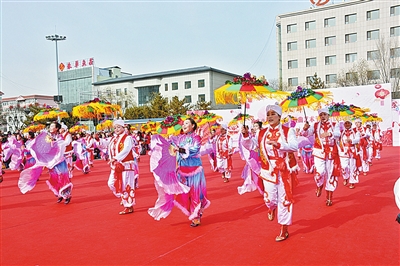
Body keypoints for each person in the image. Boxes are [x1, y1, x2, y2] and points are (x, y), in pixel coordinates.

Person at [241, 104, 299, 242]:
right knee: (270, 199)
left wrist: (279, 145)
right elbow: (251, 146)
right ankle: (271, 208)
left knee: (284, 200)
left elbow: (294, 146)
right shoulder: (261, 133)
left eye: (273, 114)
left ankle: (284, 229)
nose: (270, 116)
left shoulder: (287, 131)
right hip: (268, 169)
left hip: (284, 170)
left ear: (279, 116)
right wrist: (245, 135)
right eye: (268, 114)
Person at [148, 118, 210, 227]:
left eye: (187, 123)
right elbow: (168, 145)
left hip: (195, 170)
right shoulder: (179, 138)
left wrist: (179, 149)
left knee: (195, 193)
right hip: (182, 170)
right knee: (185, 195)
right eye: (184, 124)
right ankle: (194, 213)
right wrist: (159, 142)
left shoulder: (196, 137)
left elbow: (194, 149)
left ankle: (196, 216)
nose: (184, 125)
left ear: (193, 126)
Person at [18, 121, 73, 204]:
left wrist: (54, 142)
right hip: (50, 162)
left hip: (59, 160)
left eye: (52, 126)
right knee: (54, 178)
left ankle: (67, 195)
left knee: (63, 177)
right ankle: (59, 194)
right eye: (50, 126)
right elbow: (42, 147)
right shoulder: (47, 136)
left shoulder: (60, 137)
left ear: (57, 128)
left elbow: (64, 143)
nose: (50, 128)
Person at [301, 107, 341, 206]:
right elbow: (305, 134)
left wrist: (329, 133)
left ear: (328, 115)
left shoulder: (335, 125)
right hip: (319, 152)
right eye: (321, 115)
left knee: (330, 175)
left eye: (324, 114)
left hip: (331, 153)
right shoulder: (315, 125)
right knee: (320, 172)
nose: (323, 116)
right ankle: (319, 185)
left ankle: (329, 197)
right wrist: (305, 128)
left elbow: (337, 134)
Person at [107, 119, 138, 215]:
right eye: (115, 127)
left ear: (123, 127)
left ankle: (129, 206)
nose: (116, 129)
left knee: (126, 185)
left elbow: (126, 149)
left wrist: (116, 158)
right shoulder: (113, 139)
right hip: (115, 166)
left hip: (126, 164)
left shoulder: (127, 138)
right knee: (111, 183)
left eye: (118, 127)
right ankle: (123, 197)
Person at [338, 119, 360, 189]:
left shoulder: (356, 131)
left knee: (352, 167)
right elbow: (337, 139)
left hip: (352, 151)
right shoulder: (341, 132)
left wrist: (351, 141)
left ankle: (352, 182)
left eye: (348, 123)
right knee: (344, 167)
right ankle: (346, 177)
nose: (347, 125)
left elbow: (358, 139)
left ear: (351, 124)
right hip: (343, 151)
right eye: (345, 123)